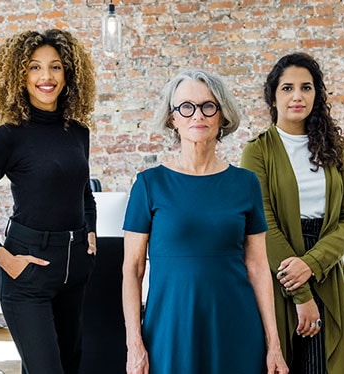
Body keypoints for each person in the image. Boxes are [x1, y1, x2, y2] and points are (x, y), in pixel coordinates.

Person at [122, 69, 288, 374]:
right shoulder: (148, 185)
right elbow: (132, 270)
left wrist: (274, 345)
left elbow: (258, 267)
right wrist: (135, 343)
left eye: (208, 106)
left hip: (236, 325)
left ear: (222, 116)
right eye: (186, 107)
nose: (197, 115)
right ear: (173, 118)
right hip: (169, 329)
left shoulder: (246, 184)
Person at [0, 29, 97, 374]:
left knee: (68, 366)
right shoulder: (7, 137)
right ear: (19, 75)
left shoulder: (78, 132)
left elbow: (82, 190)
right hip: (27, 270)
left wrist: (91, 232)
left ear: (68, 74)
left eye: (55, 67)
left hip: (74, 268)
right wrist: (4, 259)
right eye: (35, 68)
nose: (46, 77)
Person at [240, 53, 344, 373]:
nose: (297, 96)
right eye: (288, 88)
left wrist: (311, 264)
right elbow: (262, 224)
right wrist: (301, 293)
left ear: (317, 95)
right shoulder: (257, 150)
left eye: (306, 88)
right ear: (273, 96)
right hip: (279, 268)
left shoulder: (334, 147)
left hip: (325, 267)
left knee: (325, 364)